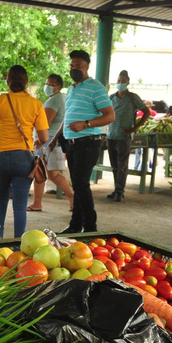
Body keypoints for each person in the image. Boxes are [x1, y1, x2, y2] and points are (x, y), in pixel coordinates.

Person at [0, 66, 48, 238]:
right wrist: (37, 141)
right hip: (23, 158)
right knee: (20, 204)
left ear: (8, 82)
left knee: (0, 201)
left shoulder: (0, 100)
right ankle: (18, 245)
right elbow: (44, 137)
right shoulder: (35, 104)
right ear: (26, 82)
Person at [55, 50, 114, 234]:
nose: (74, 68)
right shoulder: (72, 88)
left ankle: (90, 228)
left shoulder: (96, 87)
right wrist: (58, 136)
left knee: (81, 185)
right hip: (72, 144)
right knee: (78, 185)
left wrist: (86, 124)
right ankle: (75, 225)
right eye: (72, 65)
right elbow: (69, 115)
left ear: (87, 66)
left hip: (87, 142)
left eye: (78, 65)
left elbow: (110, 116)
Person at [28, 74, 74, 211]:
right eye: (47, 83)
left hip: (49, 142)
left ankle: (71, 198)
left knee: (45, 173)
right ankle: (38, 203)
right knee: (48, 174)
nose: (47, 87)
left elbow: (44, 123)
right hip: (51, 141)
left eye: (51, 84)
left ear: (59, 86)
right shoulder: (60, 99)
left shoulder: (55, 101)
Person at [106, 70, 149, 202]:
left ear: (128, 82)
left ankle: (120, 191)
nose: (120, 83)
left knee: (122, 165)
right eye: (119, 81)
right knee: (114, 165)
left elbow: (146, 112)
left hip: (124, 137)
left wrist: (135, 128)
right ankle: (116, 189)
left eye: (123, 81)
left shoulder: (133, 98)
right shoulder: (111, 97)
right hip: (111, 135)